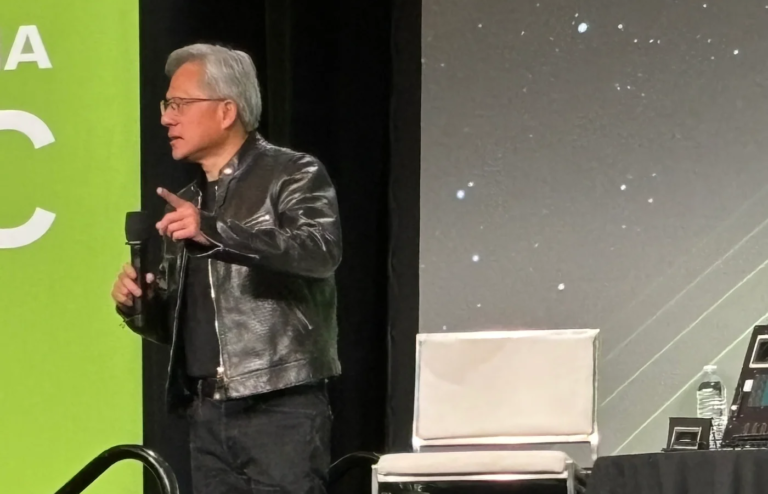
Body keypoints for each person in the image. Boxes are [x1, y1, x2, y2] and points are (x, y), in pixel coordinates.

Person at [110, 43, 342, 494]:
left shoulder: (293, 174)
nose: (165, 118)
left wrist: (215, 232)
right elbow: (193, 323)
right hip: (207, 412)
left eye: (178, 104)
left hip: (279, 406)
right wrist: (141, 305)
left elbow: (320, 250)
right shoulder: (188, 202)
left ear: (225, 111)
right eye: (166, 105)